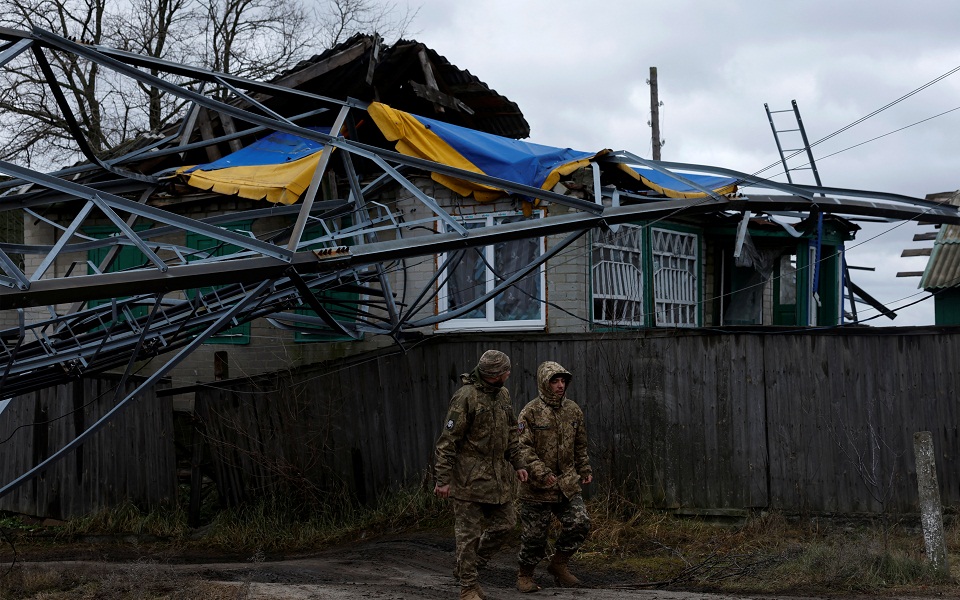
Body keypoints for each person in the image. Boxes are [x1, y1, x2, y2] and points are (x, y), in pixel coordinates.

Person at [434, 349, 529, 600]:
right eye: (506, 371)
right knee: (468, 536)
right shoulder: (465, 397)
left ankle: (469, 566)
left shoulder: (503, 395)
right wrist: (443, 480)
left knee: (507, 524)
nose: (509, 373)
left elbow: (511, 432)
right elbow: (447, 442)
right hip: (468, 481)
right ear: (495, 375)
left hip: (497, 480)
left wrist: (518, 463)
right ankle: (468, 587)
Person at [515, 360, 593, 592]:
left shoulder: (573, 410)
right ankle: (525, 575)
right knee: (534, 537)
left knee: (580, 523)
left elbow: (580, 445)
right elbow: (522, 448)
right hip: (536, 487)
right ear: (544, 383)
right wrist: (541, 472)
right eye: (555, 381)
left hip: (566, 484)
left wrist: (585, 469)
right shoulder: (530, 412)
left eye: (563, 381)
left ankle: (558, 564)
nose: (560, 386)